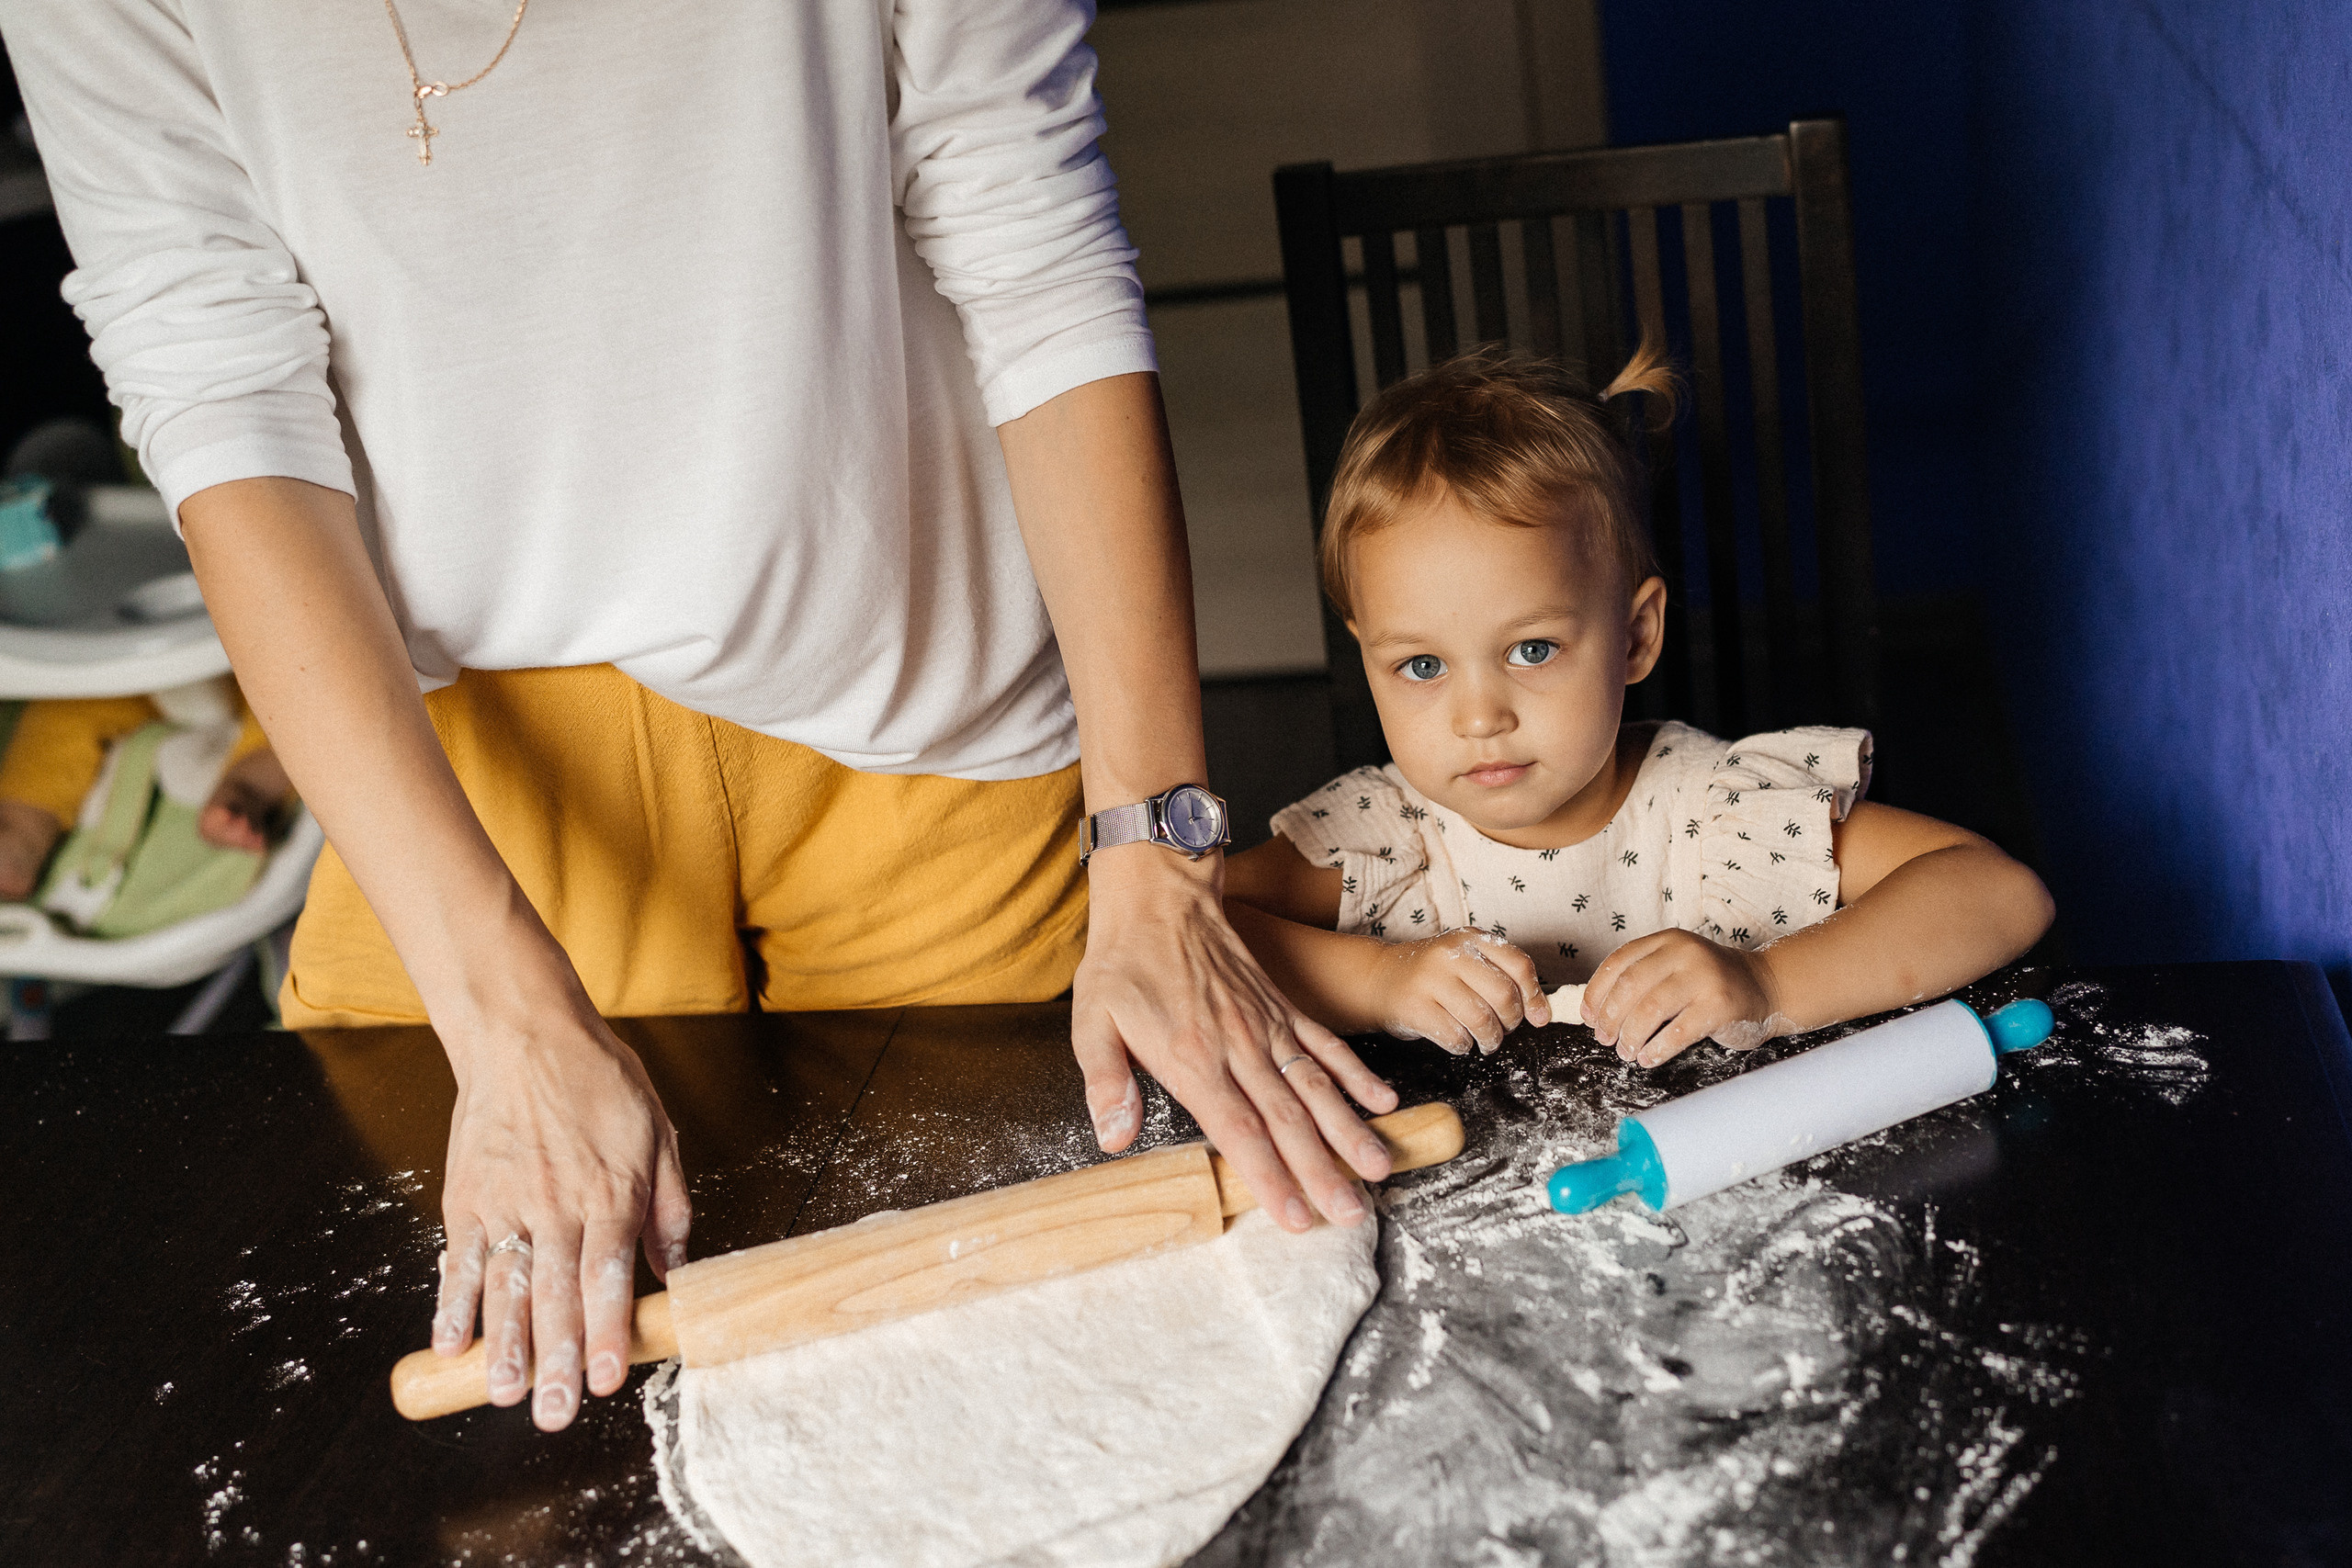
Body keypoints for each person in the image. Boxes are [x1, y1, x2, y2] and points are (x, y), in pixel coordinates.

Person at [2, 0, 1396, 1435]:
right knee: (530, 1448)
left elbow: (1034, 240)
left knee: (1097, 1376)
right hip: (478, 804)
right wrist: (503, 1018)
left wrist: (1157, 851)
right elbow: (220, 392)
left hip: (926, 721)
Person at [1224, 347, 2056, 1065]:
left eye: (1532, 649)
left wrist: (1767, 982)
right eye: (1421, 664)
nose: (1479, 716)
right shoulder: (1384, 839)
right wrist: (1378, 981)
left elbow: (1998, 892)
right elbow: (1191, 926)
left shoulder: (1718, 814)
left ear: (1634, 637)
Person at [0, 682, 293, 902]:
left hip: (263, 650)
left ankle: (247, 788)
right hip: (130, 667)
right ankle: (20, 831)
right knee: (64, 708)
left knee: (293, 700)